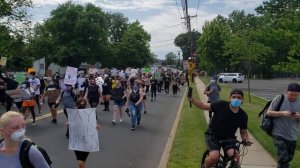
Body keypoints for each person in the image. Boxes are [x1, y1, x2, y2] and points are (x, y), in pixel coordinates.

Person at [189, 89, 251, 168]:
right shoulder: (220, 105)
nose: (236, 99)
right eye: (234, 97)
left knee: (236, 158)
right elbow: (203, 106)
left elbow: (243, 131)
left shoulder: (243, 115)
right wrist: (192, 99)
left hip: (229, 138)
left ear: (242, 100)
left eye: (239, 98)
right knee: (214, 157)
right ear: (229, 98)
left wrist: (246, 140)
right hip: (213, 135)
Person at [267, 83, 300, 168]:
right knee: (283, 157)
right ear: (287, 92)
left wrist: (298, 116)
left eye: (295, 95)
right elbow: (269, 112)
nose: (293, 97)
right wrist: (282, 113)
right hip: (278, 133)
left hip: (292, 135)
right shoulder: (280, 98)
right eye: (291, 94)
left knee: (288, 158)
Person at [69, 98, 99, 168]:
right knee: (81, 163)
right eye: (80, 104)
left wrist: (97, 127)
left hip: (87, 142)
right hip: (77, 142)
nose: (82, 105)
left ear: (86, 105)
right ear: (77, 105)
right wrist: (68, 124)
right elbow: (71, 125)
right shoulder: (74, 114)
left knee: (80, 163)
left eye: (83, 104)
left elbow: (95, 125)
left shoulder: (90, 113)